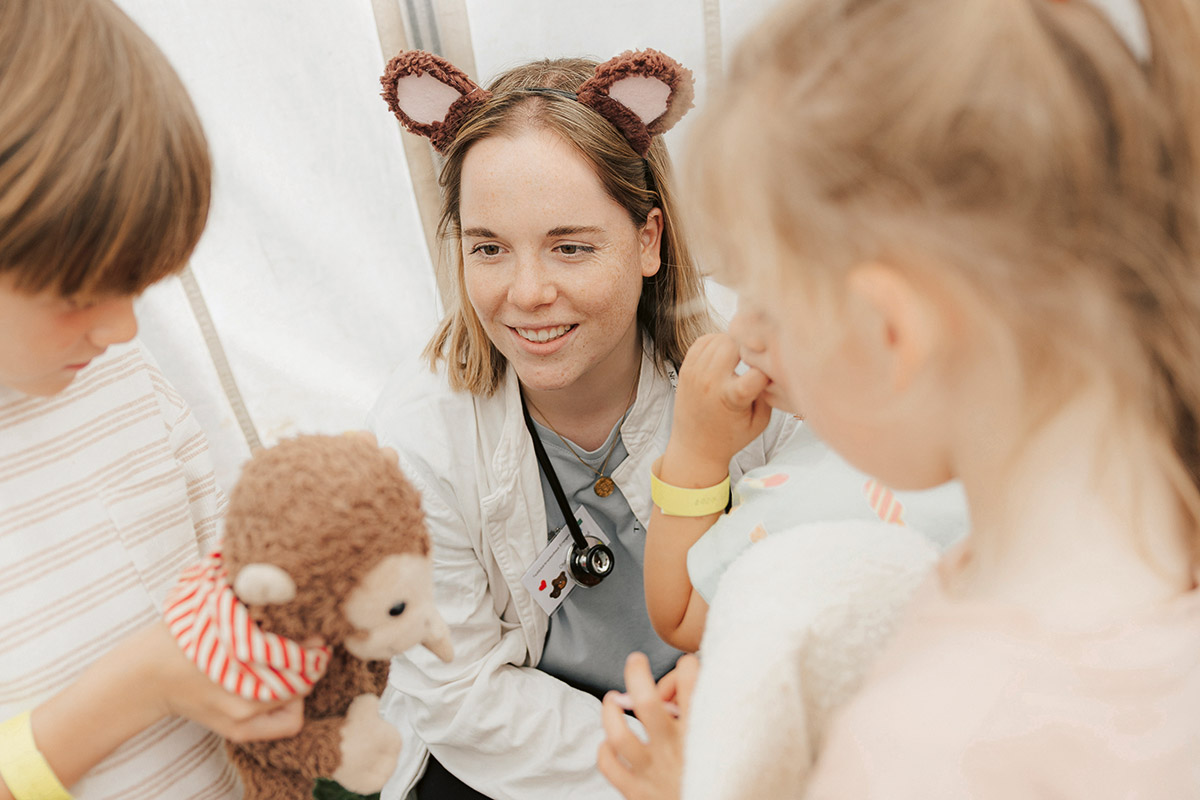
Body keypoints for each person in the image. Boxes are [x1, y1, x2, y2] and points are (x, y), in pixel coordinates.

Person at [598, 0, 1200, 797]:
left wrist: (702, 782)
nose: (747, 336)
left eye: (769, 304)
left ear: (889, 331)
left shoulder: (915, 747)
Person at [370, 50, 798, 800]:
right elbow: (465, 696)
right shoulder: (419, 437)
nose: (528, 292)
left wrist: (724, 710)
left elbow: (815, 568)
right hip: (524, 762)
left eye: (571, 246)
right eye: (490, 249)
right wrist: (663, 764)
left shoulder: (757, 362)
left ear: (647, 240)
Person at [0, 1, 310, 798]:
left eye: (138, 286)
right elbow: (164, 668)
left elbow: (218, 586)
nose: (122, 327)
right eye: (77, 293)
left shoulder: (119, 380)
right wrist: (141, 685)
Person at [643, 330, 966, 653]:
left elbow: (681, 619)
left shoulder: (803, 502)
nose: (742, 330)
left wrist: (697, 449)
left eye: (767, 307)